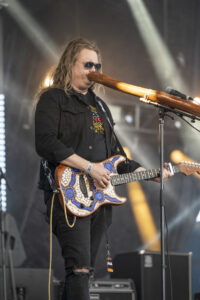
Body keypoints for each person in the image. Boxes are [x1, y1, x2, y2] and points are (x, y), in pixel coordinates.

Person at [35, 37, 171, 300]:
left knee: (84, 272)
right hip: (66, 193)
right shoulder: (53, 99)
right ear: (70, 64)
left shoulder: (101, 108)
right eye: (88, 64)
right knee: (80, 268)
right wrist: (89, 168)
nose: (95, 71)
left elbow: (117, 156)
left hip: (98, 200)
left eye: (98, 65)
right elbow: (46, 143)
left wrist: (151, 172)